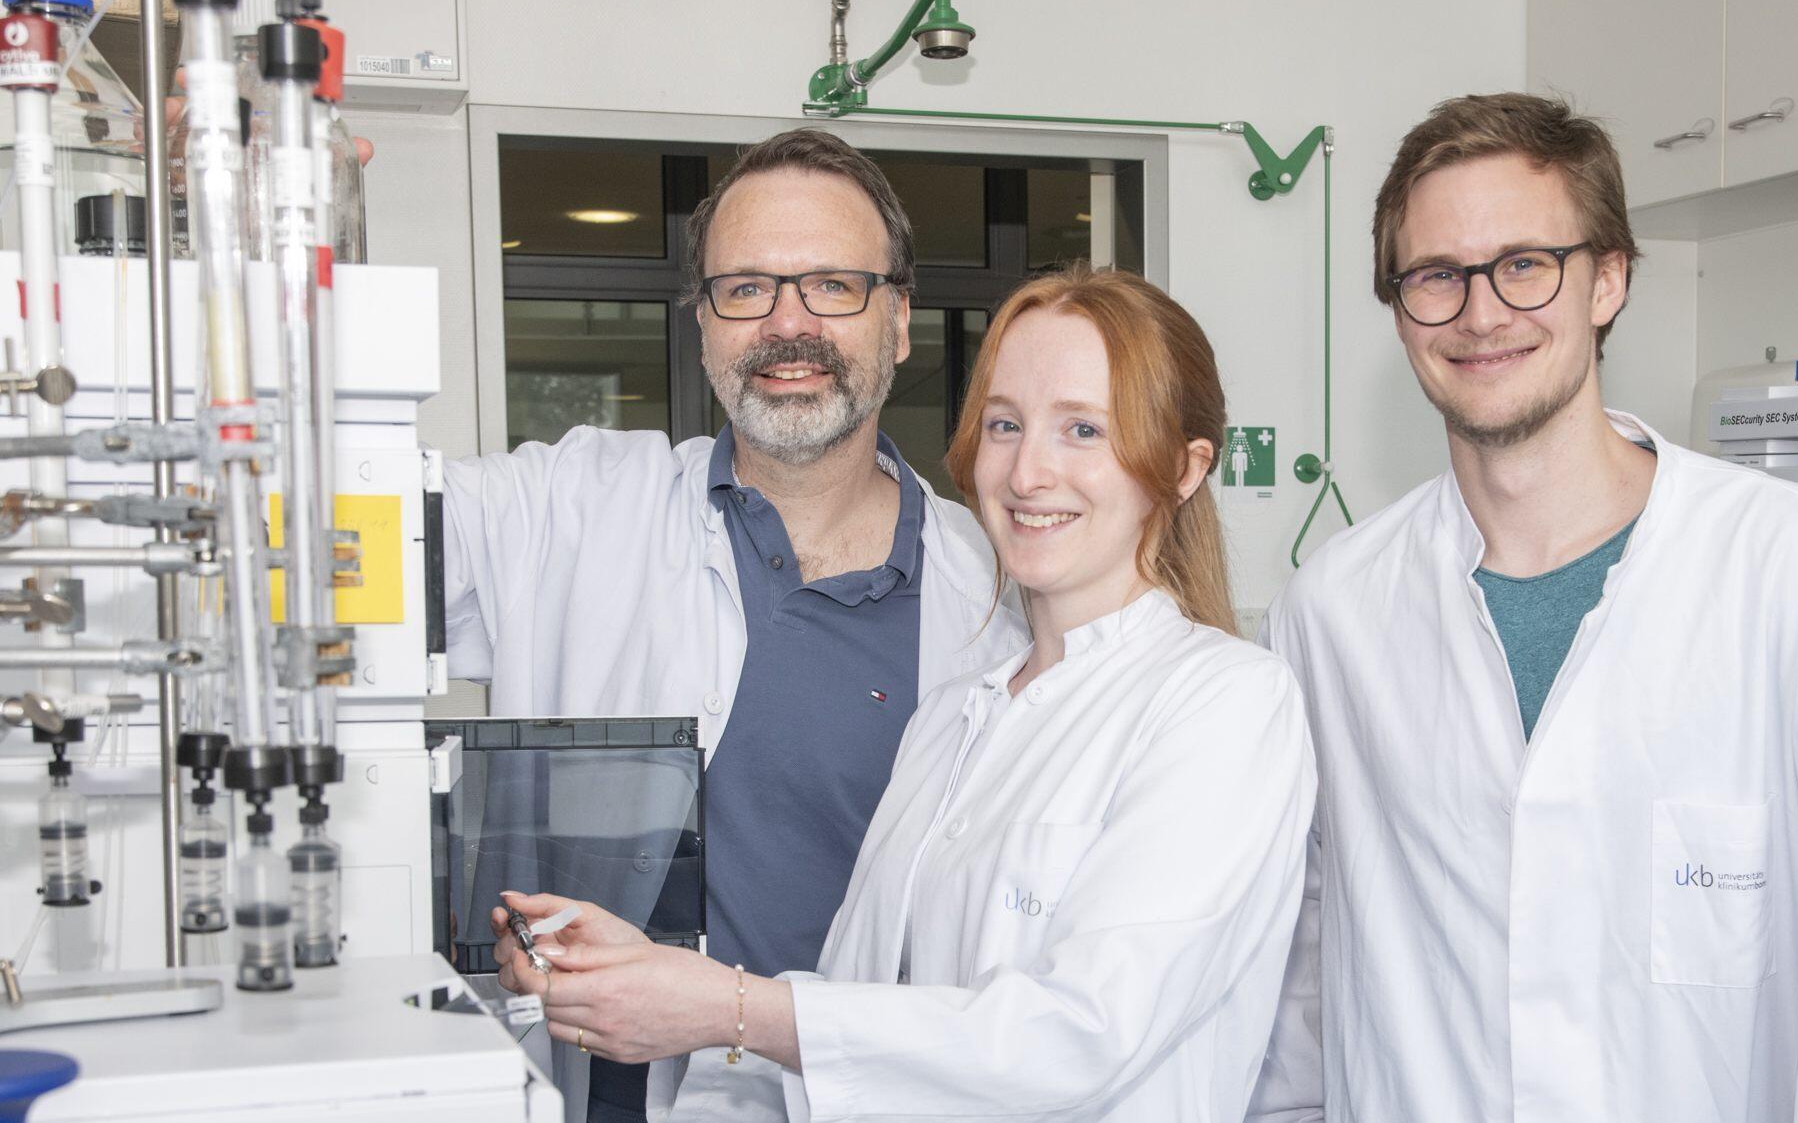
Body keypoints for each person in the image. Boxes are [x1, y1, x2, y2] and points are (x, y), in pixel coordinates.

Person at [1245, 93, 1798, 1122]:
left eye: (1525, 264)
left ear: (1606, 278)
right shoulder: (1333, 610)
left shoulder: (1784, 570)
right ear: (1398, 308)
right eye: (1435, 276)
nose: (1480, 313)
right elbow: (1297, 959)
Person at [496, 264, 1317, 1123]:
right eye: (1004, 424)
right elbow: (866, 1020)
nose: (1028, 472)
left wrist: (728, 1005)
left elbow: (1078, 1034)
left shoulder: (1226, 704)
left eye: (1083, 429)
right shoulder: (952, 718)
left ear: (1184, 469)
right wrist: (650, 980)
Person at [443, 128, 1026, 1121]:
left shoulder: (1001, 600)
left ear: (897, 321)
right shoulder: (569, 509)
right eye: (745, 288)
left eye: (832, 285)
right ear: (704, 323)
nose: (785, 324)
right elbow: (320, 524)